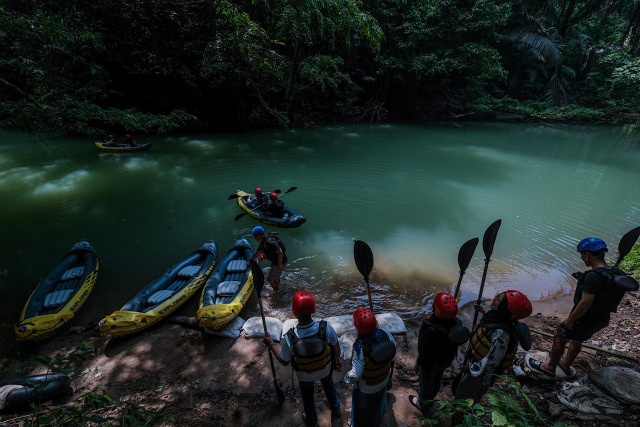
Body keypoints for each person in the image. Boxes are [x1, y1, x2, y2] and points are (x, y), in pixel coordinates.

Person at [531, 238, 632, 377]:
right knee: (577, 339)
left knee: (559, 336)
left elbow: (585, 303)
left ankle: (550, 368)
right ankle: (566, 363)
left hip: (584, 317)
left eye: (582, 255)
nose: (583, 259)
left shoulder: (593, 276)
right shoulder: (618, 273)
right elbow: (604, 290)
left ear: (588, 255)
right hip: (602, 318)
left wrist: (571, 319)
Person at [262, 291, 342, 427]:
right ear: (313, 309)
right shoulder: (325, 328)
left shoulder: (290, 337)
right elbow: (336, 346)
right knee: (329, 384)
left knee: (307, 396)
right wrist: (337, 360)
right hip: (325, 369)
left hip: (305, 376)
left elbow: (284, 360)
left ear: (294, 312)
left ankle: (311, 420)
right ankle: (336, 409)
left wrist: (271, 345)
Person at [454, 290, 532, 404]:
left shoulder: (501, 334)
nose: (494, 298)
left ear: (505, 309)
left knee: (466, 395)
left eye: (498, 299)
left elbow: (490, 362)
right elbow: (494, 322)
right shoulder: (503, 318)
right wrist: (482, 311)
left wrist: (470, 367)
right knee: (468, 391)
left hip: (482, 373)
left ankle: (460, 417)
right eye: (497, 295)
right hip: (479, 363)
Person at [410, 293, 470, 417]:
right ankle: (430, 398)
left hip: (430, 365)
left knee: (426, 383)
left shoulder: (432, 330)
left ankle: (422, 404)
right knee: (436, 381)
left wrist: (417, 364)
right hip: (444, 362)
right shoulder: (455, 324)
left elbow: (425, 353)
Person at [344, 308, 396, 427]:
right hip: (383, 379)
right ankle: (377, 418)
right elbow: (394, 347)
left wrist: (347, 377)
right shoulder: (386, 334)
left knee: (359, 408)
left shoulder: (359, 348)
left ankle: (355, 423)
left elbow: (356, 374)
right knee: (378, 401)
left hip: (366, 388)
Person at [247, 226, 287, 291]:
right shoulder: (262, 242)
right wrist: (250, 261)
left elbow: (280, 252)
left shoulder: (270, 242)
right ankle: (278, 286)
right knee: (275, 277)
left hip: (280, 261)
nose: (255, 238)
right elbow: (257, 252)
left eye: (255, 236)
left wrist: (280, 265)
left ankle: (277, 292)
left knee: (270, 279)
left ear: (259, 236)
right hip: (276, 261)